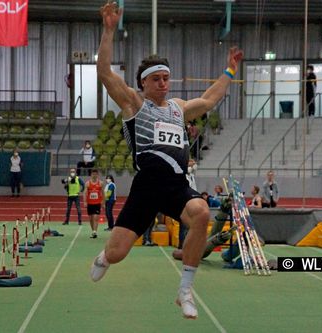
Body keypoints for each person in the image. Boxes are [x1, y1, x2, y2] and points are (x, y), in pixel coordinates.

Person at [90, 1, 243, 319]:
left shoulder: (178, 108)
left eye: (166, 78)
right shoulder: (134, 104)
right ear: (143, 82)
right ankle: (104, 257)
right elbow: (104, 72)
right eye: (156, 78)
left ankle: (185, 290)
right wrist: (108, 30)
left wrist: (229, 70)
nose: (163, 83)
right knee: (118, 253)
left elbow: (211, 98)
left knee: (201, 212)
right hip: (146, 187)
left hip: (176, 185)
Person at [84, 169, 105, 238]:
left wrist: (103, 202)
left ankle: (95, 231)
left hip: (97, 203)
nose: (94, 175)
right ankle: (93, 230)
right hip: (90, 203)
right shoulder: (87, 183)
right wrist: (85, 202)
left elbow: (103, 193)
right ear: (91, 175)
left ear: (97, 175)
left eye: (96, 174)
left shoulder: (100, 183)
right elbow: (85, 193)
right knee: (90, 219)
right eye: (93, 174)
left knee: (96, 217)